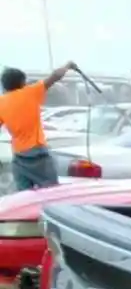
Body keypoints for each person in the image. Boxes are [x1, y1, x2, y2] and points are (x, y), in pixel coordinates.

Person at [2, 60, 78, 191]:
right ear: (21, 83)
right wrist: (68, 66)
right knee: (51, 194)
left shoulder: (1, 103)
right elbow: (55, 76)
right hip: (39, 155)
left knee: (24, 198)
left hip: (19, 158)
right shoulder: (30, 92)